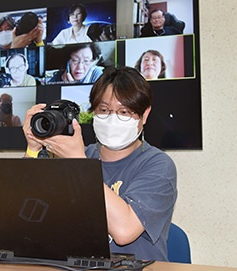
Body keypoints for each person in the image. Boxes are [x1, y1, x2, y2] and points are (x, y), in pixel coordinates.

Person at [22, 66, 177, 261]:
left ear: (144, 115)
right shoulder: (77, 155)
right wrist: (33, 148)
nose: (113, 119)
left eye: (124, 111)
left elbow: (124, 230)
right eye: (104, 110)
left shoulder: (157, 165)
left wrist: (77, 161)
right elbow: (24, 215)